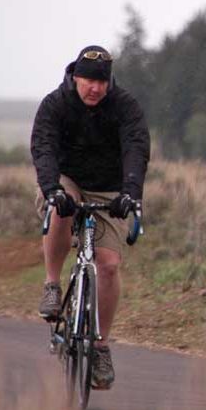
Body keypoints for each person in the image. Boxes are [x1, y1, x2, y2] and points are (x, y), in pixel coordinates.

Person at [31, 45, 150, 390]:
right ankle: (52, 284)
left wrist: (130, 191)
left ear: (109, 81)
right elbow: (43, 147)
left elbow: (136, 147)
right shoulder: (55, 104)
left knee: (109, 264)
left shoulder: (124, 106)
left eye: (101, 81)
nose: (94, 88)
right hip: (66, 178)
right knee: (60, 208)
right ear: (75, 77)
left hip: (110, 186)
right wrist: (52, 187)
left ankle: (99, 347)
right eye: (88, 80)